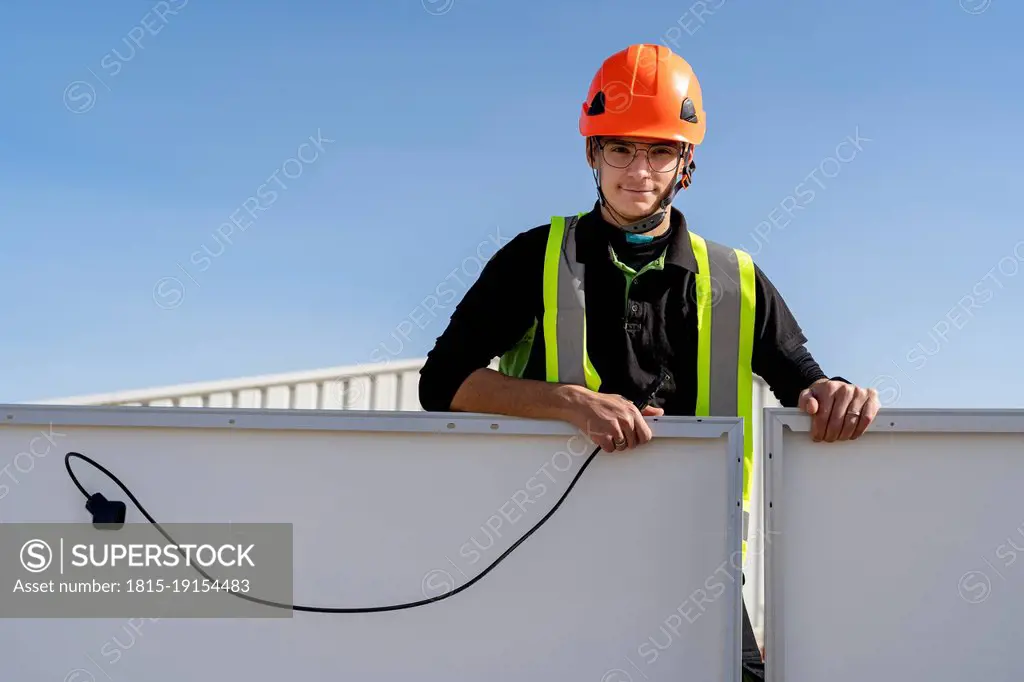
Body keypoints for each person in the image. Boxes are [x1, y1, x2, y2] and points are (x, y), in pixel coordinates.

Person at [418, 43, 879, 682]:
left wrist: (837, 394)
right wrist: (569, 402)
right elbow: (441, 383)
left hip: (696, 567)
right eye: (621, 148)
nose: (640, 170)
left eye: (661, 150)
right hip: (550, 559)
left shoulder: (735, 278)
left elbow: (806, 383)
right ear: (592, 153)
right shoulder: (534, 258)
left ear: (686, 164)